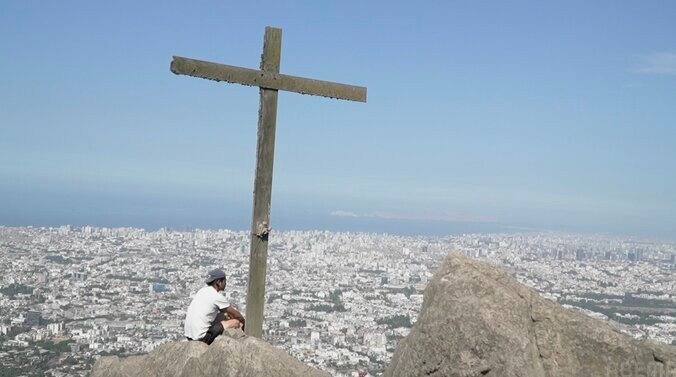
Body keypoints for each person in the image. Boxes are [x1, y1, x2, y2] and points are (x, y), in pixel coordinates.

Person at [184, 268, 245, 345]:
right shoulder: (217, 296)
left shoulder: (202, 291)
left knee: (224, 315)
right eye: (224, 281)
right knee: (235, 322)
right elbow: (236, 315)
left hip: (189, 336)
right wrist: (243, 321)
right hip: (202, 338)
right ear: (218, 282)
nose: (225, 284)